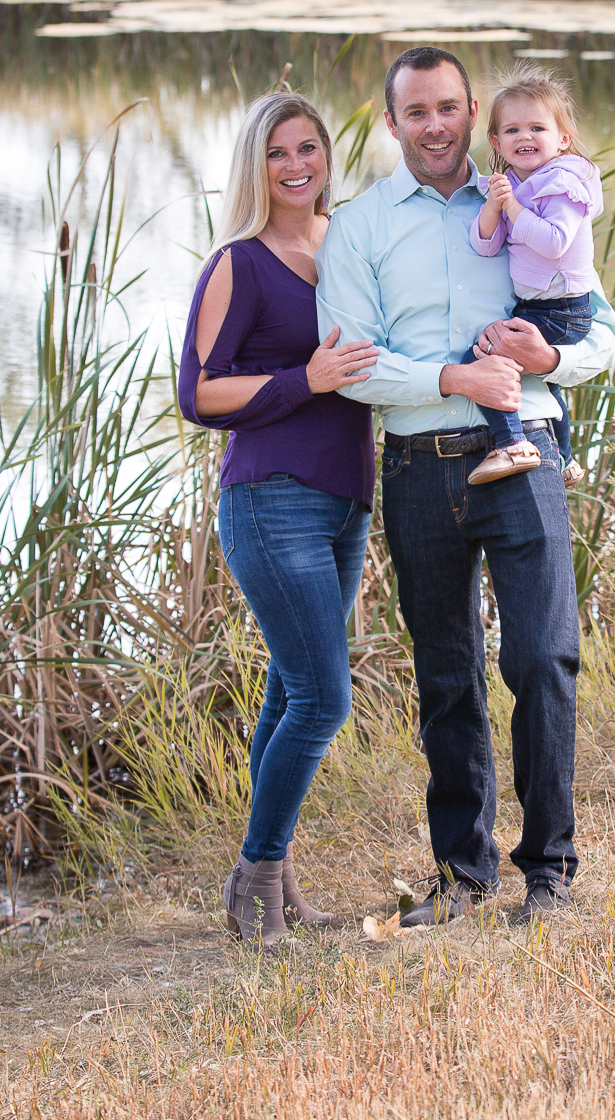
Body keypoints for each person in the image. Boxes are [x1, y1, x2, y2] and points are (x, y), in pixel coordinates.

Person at [315, 46, 615, 927]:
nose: (437, 125)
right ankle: (463, 875)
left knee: (543, 657)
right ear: (392, 122)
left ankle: (550, 873)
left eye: (450, 107)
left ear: (472, 108)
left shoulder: (530, 195)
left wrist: (549, 357)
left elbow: (603, 333)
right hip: (418, 466)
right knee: (447, 676)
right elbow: (351, 365)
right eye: (418, 112)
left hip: (526, 447)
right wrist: (453, 381)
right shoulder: (363, 225)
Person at [177, 91, 380, 949]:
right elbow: (197, 393)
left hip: (346, 502)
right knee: (323, 698)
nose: (297, 167)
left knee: (286, 692)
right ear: (255, 166)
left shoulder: (346, 244)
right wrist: (308, 380)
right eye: (278, 154)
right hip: (271, 501)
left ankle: (274, 883)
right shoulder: (239, 263)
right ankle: (256, 877)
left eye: (309, 150)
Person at [463, 65, 603, 487]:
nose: (524, 137)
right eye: (511, 130)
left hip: (563, 309)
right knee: (538, 376)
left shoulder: (562, 182)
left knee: (484, 356)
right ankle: (564, 458)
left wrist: (513, 209)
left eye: (537, 127)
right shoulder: (514, 185)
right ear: (496, 142)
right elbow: (485, 245)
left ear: (562, 138)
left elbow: (555, 241)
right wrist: (494, 207)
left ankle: (513, 444)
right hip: (539, 305)